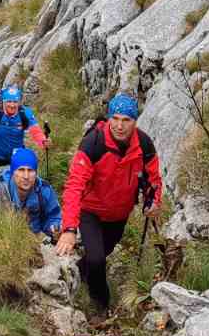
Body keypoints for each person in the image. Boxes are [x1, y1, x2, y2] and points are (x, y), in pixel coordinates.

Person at [54, 95, 162, 317]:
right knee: (97, 259)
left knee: (101, 254)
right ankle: (100, 306)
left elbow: (153, 180)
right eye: (115, 118)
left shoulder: (144, 144)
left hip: (119, 214)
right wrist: (69, 229)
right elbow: (74, 187)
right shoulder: (93, 143)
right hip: (91, 211)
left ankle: (79, 272)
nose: (120, 126)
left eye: (126, 120)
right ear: (109, 117)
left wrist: (153, 201)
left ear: (135, 121)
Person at [0, 146, 62, 238]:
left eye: (30, 170)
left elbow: (54, 215)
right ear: (13, 172)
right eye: (21, 170)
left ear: (36, 173)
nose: (26, 176)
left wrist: (54, 227)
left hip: (36, 239)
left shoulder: (44, 190)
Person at [0, 82, 48, 176]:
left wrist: (43, 141)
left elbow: (35, 130)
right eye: (9, 101)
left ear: (19, 102)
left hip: (16, 157)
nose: (12, 105)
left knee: (16, 181)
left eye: (15, 102)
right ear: (3, 101)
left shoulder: (25, 113)